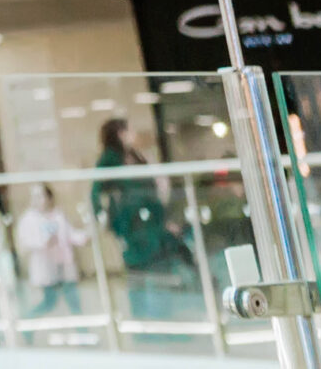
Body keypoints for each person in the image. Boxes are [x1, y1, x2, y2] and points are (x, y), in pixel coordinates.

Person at [94, 116, 194, 320]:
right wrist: (110, 222)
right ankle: (143, 323)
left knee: (159, 271)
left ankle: (163, 320)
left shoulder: (134, 156)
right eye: (129, 130)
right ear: (120, 134)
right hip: (132, 227)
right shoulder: (110, 160)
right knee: (139, 275)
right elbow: (98, 193)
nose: (134, 135)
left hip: (151, 224)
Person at [13, 184, 90, 317]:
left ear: (49, 198)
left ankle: (82, 332)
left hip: (63, 265)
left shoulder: (58, 215)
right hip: (46, 267)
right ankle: (27, 322)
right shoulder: (28, 219)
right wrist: (43, 243)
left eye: (40, 196)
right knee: (50, 302)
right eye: (34, 197)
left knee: (74, 302)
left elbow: (69, 233)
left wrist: (85, 237)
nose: (37, 200)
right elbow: (25, 242)